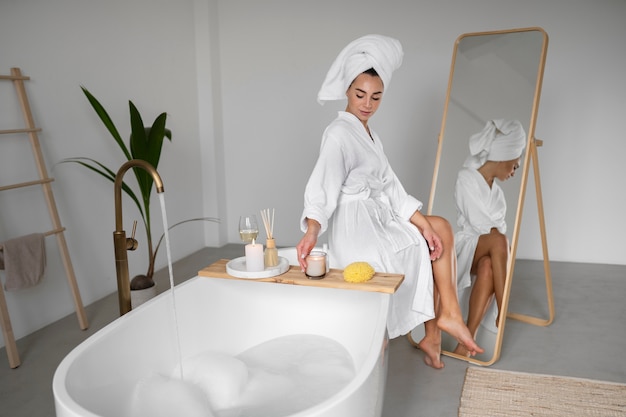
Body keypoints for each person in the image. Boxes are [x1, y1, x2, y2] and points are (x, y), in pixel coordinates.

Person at [295, 34, 482, 369]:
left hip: (378, 216)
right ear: (347, 92)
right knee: (427, 243)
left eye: (376, 97)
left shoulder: (371, 135)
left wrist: (422, 224)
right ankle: (440, 325)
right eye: (360, 95)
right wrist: (312, 230)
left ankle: (442, 323)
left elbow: (391, 187)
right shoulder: (339, 134)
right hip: (356, 227)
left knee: (437, 229)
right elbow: (322, 185)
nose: (367, 104)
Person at [452, 119, 526, 356]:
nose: (514, 172)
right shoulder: (466, 177)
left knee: (488, 267)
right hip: (466, 246)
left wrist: (497, 240)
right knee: (499, 240)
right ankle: (504, 306)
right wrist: (497, 239)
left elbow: (496, 233)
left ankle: (467, 340)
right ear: (505, 156)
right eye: (515, 165)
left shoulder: (499, 195)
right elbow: (480, 224)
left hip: (486, 251)